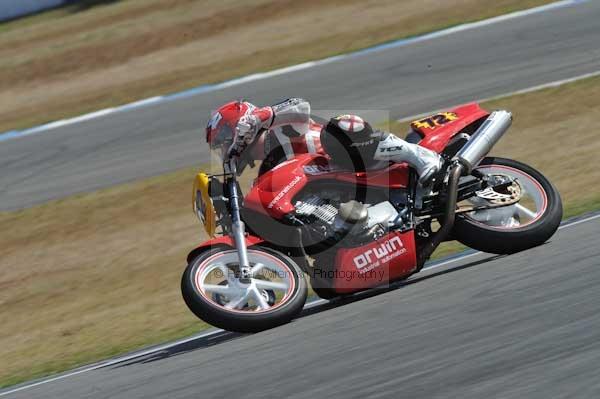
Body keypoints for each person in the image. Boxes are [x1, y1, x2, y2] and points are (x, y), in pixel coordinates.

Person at [206, 98, 442, 184]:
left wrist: (261, 116)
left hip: (365, 162)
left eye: (224, 141)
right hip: (348, 188)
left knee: (336, 128)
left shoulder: (283, 129)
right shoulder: (267, 170)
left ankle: (420, 156)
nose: (226, 150)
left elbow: (301, 106)